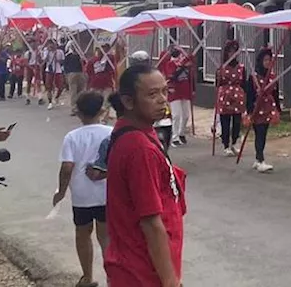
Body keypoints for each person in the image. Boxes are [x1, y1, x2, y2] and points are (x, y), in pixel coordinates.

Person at [104, 64, 186, 287]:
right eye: (152, 94)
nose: (162, 100)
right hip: (142, 273)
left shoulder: (141, 132)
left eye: (164, 91)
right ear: (129, 102)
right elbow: (150, 222)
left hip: (138, 265)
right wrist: (170, 282)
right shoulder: (139, 148)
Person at [54, 91, 113, 287]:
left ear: (78, 113)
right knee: (105, 237)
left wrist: (60, 192)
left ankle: (87, 276)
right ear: (103, 110)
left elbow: (66, 167)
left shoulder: (72, 137)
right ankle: (112, 278)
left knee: (83, 233)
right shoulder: (111, 133)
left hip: (82, 196)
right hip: (106, 194)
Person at [247, 48, 280, 174]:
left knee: (263, 133)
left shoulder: (272, 76)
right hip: (257, 108)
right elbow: (249, 94)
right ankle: (260, 160)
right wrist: (249, 110)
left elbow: (276, 93)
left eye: (269, 60)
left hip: (267, 108)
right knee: (259, 133)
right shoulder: (253, 77)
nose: (267, 62)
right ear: (260, 61)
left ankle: (258, 158)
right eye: (265, 60)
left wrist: (277, 108)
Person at [214, 40, 246, 157]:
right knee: (225, 122)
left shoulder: (241, 67)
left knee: (237, 122)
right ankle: (226, 145)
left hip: (238, 97)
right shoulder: (221, 67)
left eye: (234, 52)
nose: (232, 54)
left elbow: (243, 83)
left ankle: (234, 143)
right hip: (224, 97)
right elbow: (217, 84)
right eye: (230, 52)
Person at [157, 46, 194, 147]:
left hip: (185, 91)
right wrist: (182, 66)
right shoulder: (170, 64)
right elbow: (172, 76)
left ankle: (181, 133)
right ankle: (175, 137)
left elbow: (192, 58)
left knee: (186, 115)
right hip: (174, 92)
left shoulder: (185, 62)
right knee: (176, 115)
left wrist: (193, 89)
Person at [64, 41, 88, 113]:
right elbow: (65, 66)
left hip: (80, 73)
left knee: (81, 92)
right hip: (72, 74)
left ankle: (79, 107)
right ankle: (74, 108)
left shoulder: (80, 55)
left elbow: (85, 64)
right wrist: (66, 75)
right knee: (73, 92)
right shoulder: (68, 55)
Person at [46, 40, 67, 110]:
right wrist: (48, 53)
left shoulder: (60, 52)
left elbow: (63, 61)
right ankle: (50, 102)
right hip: (49, 71)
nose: (52, 46)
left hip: (58, 70)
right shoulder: (47, 52)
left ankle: (57, 97)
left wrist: (57, 60)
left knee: (61, 86)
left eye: (53, 44)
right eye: (50, 45)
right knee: (49, 87)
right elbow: (44, 60)